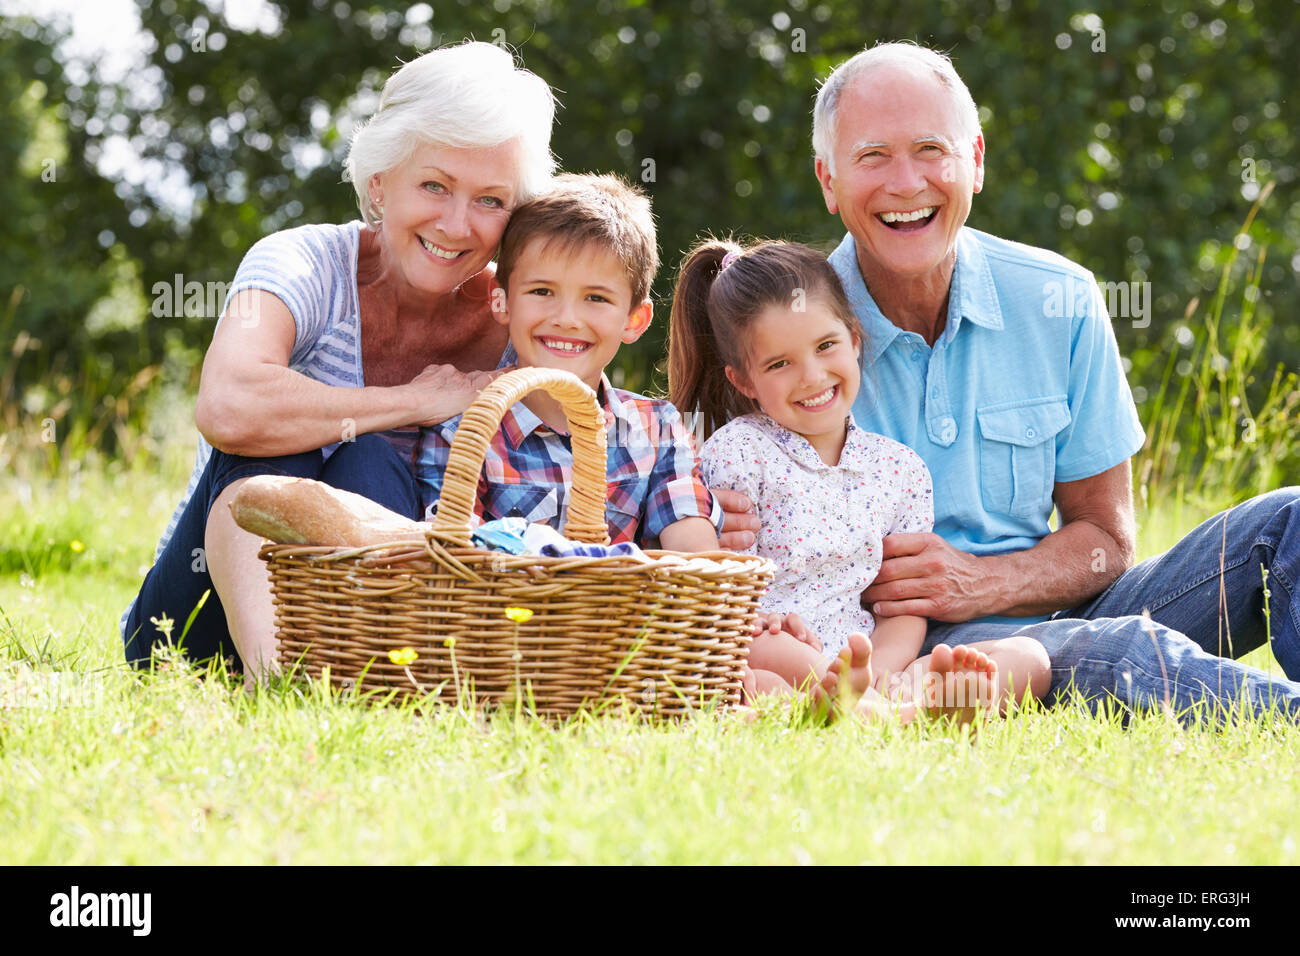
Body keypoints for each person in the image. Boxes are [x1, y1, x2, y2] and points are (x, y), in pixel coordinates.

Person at [714, 41, 1300, 724]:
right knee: (1122, 647)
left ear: (976, 161)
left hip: (1070, 612)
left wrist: (983, 581)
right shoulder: (789, 336)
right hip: (915, 656)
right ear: (828, 179)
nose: (906, 183)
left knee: (1288, 522)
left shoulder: (1062, 298)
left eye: (931, 149)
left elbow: (1107, 540)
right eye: (873, 157)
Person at [122, 42, 556, 679]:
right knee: (281, 449)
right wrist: (416, 401)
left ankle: (355, 677)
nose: (458, 225)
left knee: (370, 456)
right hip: (192, 631)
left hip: (392, 632)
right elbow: (229, 404)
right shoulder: (298, 261)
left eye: (490, 201)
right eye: (434, 185)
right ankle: (281, 686)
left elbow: (587, 442)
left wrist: (706, 506)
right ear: (380, 183)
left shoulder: (516, 316)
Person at [672, 238, 1051, 723]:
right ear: (745, 381)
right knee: (755, 661)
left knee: (1031, 661)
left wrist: (880, 673)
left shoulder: (899, 470)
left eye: (825, 346)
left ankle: (877, 706)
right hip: (777, 644)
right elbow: (724, 588)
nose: (811, 376)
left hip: (862, 655)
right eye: (779, 364)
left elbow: (903, 608)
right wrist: (770, 631)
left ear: (854, 339)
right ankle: (876, 715)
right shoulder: (738, 451)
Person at [414, 174, 722, 551]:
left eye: (595, 298)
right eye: (542, 291)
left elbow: (694, 558)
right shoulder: (464, 432)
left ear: (634, 320)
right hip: (498, 610)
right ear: (502, 301)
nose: (567, 318)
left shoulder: (659, 431)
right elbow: (454, 558)